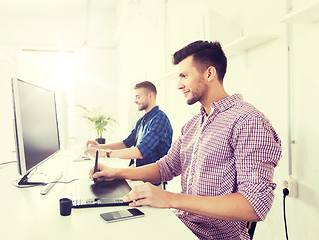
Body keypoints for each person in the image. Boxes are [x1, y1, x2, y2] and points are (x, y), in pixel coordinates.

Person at [89, 41, 282, 239]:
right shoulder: (193, 125)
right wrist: (116, 173)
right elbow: (165, 168)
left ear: (209, 74)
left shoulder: (248, 121)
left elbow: (255, 205)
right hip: (182, 225)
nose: (179, 85)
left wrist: (170, 199)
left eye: (184, 76)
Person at [85, 81, 173, 182]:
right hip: (137, 175)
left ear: (150, 96)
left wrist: (106, 153)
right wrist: (99, 147)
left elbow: (139, 152)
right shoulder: (142, 121)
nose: (135, 101)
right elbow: (126, 143)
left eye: (138, 97)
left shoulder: (160, 119)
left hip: (152, 182)